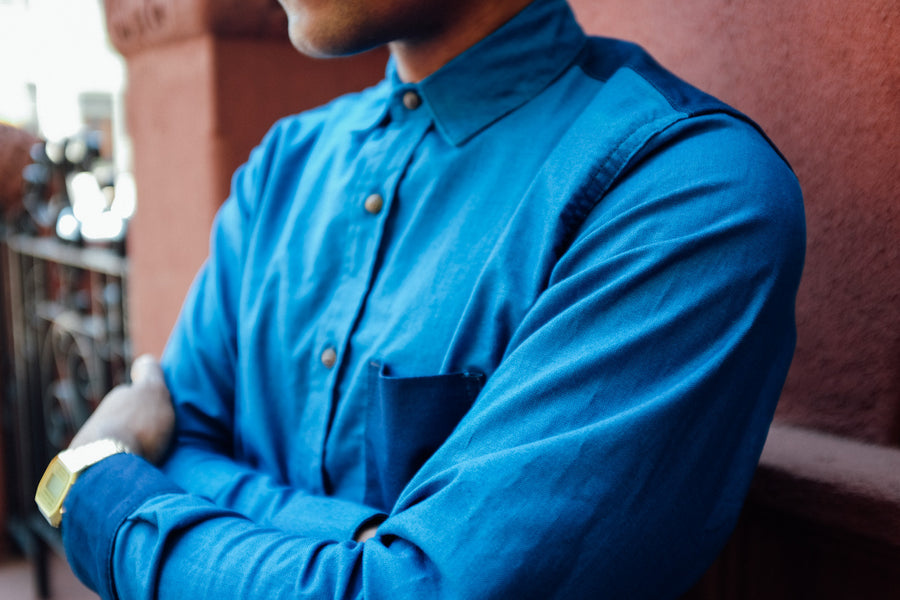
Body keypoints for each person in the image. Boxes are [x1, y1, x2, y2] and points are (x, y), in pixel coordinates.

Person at [39, 0, 805, 597]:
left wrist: (100, 488)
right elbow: (187, 439)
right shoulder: (284, 168)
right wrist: (372, 540)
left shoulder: (684, 191)